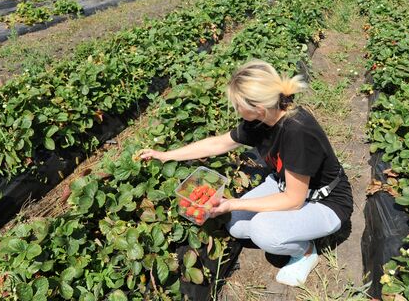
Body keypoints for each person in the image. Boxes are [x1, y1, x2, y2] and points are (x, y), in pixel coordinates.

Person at [140, 60, 353, 287]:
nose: (236, 109)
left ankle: (306, 252)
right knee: (238, 225)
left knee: (264, 230)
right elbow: (218, 144)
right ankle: (290, 230)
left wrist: (232, 203)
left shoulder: (297, 132)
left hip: (326, 202)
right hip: (284, 185)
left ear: (258, 108)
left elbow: (293, 200)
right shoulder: (261, 120)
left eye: (237, 105)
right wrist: (166, 155)